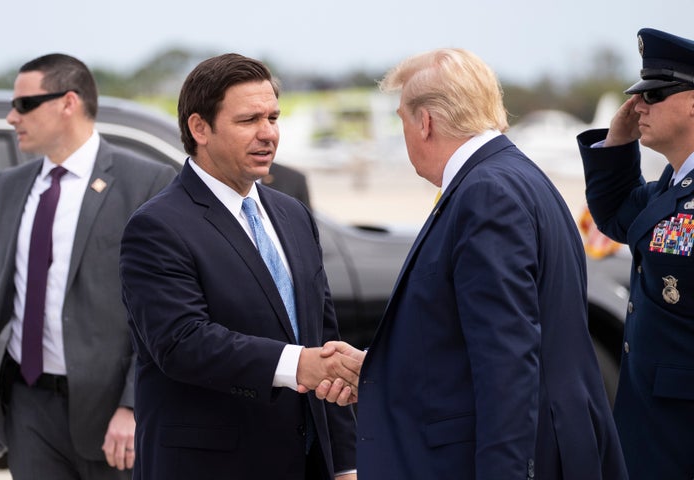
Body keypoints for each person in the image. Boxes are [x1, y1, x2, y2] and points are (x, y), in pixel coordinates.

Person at [313, 48, 628, 479]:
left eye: (402, 120)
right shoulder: (515, 177)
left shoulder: (487, 194)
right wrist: (377, 367)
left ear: (425, 123)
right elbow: (466, 336)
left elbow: (507, 360)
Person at [118, 53, 358, 480]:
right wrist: (297, 364)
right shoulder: (157, 226)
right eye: (249, 120)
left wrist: (344, 464)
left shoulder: (293, 215)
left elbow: (323, 339)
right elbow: (182, 343)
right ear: (199, 128)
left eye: (274, 117)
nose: (268, 134)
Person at [0, 53, 176, 479]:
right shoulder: (9, 186)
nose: (13, 117)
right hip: (27, 406)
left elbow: (161, 311)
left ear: (69, 102)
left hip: (109, 415)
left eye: (24, 104)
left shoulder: (146, 182)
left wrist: (132, 404)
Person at [577, 27, 694, 479]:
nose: (639, 105)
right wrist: (618, 143)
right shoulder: (671, 186)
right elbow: (617, 217)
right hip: (656, 420)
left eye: (657, 93)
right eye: (639, 94)